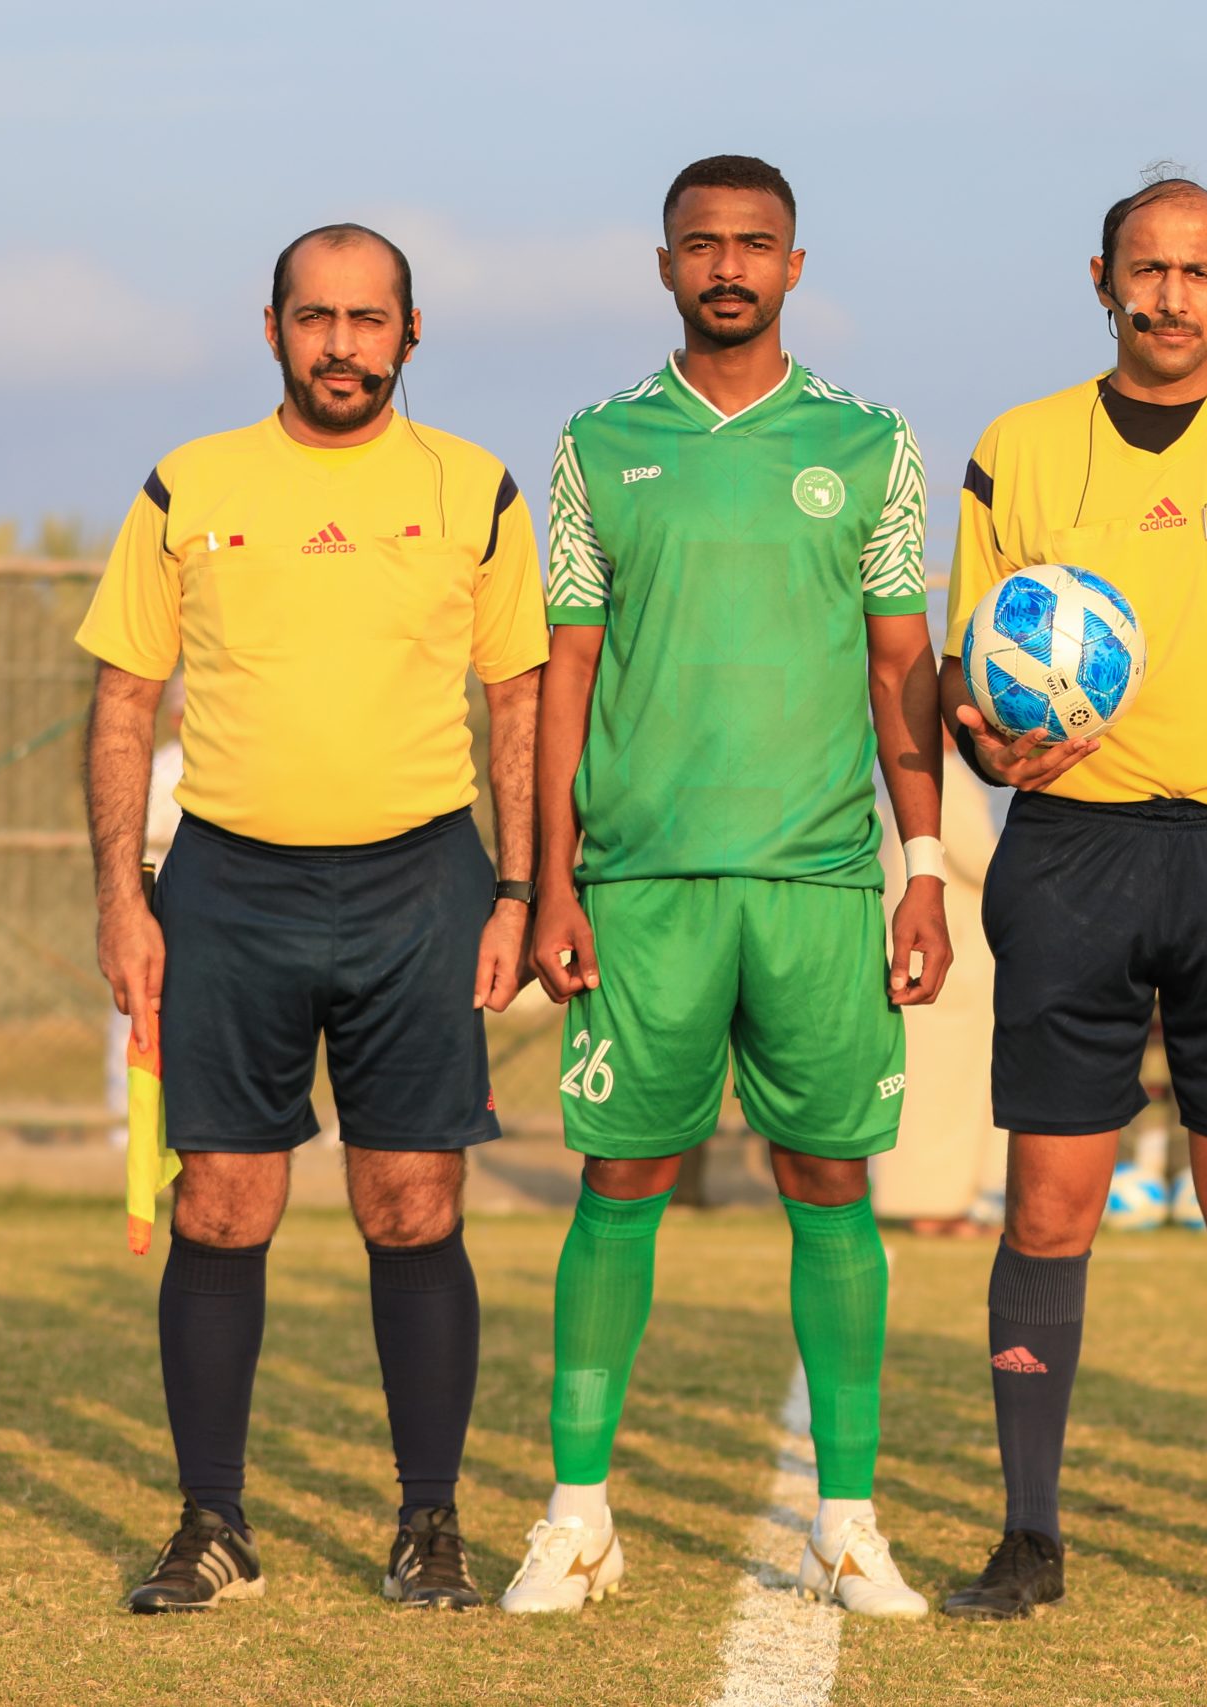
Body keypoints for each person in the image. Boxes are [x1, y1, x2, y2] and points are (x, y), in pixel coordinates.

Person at [497, 155, 951, 1620]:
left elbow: (900, 668)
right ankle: (578, 1517)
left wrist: (923, 869)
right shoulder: (599, 442)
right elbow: (564, 672)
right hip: (641, 884)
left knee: (831, 1180)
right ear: (665, 265)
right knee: (620, 1178)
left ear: (795, 265)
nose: (729, 266)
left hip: (820, 881)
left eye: (756, 244)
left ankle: (848, 1523)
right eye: (703, 244)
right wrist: (549, 880)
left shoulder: (871, 442)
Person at [936, 173, 1207, 1622]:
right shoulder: (1018, 447)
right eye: (1147, 269)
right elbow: (967, 666)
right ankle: (1028, 1536)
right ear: (1102, 279)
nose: (1170, 295)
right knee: (1049, 1202)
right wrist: (988, 744)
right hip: (1072, 850)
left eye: (1198, 272)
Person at [80, 223, 547, 1611]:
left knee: (413, 1203)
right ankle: (212, 1524)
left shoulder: (474, 488)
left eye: (368, 318)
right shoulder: (190, 484)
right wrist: (121, 898)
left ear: (411, 332)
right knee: (222, 1205)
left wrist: (518, 890)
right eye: (316, 317)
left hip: (422, 883)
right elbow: (124, 699)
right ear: (274, 326)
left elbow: (518, 704)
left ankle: (429, 1526)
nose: (342, 345)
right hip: (229, 885)